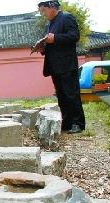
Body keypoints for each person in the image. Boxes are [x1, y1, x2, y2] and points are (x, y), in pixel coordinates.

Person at [36, 0, 86, 134]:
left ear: (52, 6)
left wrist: (56, 38)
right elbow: (51, 44)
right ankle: (67, 121)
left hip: (67, 64)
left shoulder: (66, 17)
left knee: (71, 94)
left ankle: (78, 123)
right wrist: (42, 49)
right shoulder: (49, 25)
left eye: (44, 10)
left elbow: (74, 36)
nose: (44, 14)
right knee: (61, 96)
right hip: (54, 65)